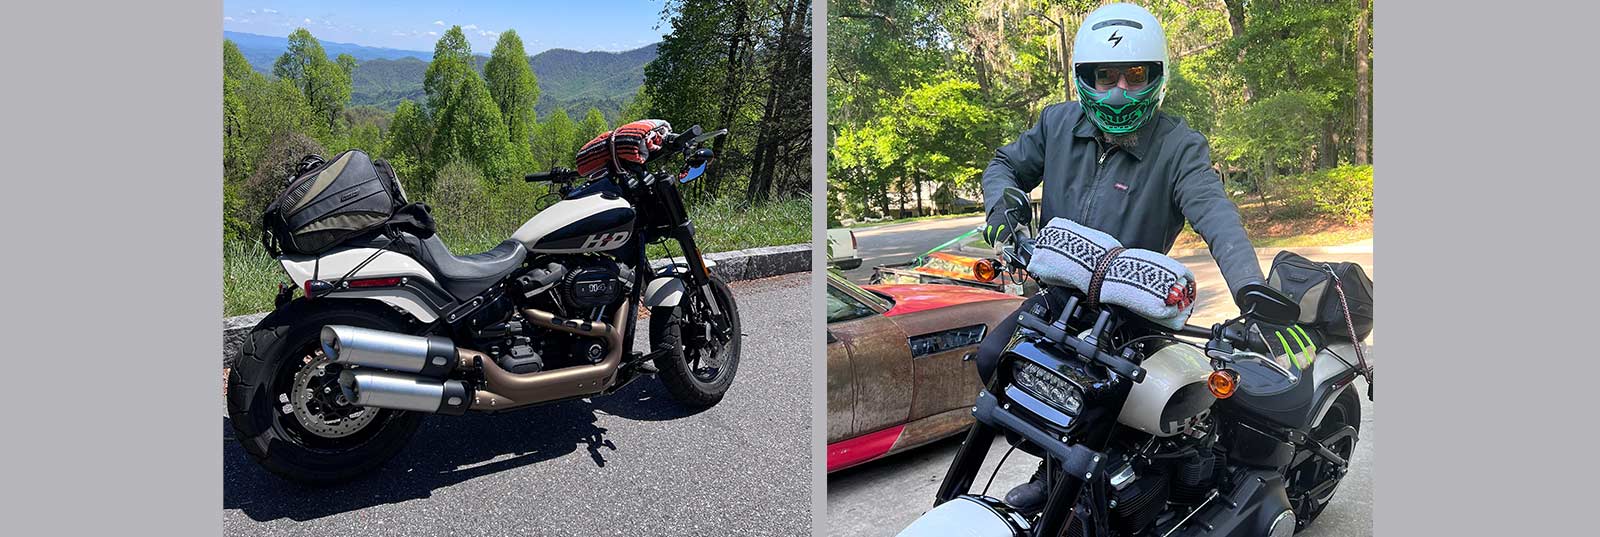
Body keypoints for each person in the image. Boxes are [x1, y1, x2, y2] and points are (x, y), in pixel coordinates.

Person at [976, 2, 1265, 512]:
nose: (1118, 90)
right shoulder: (1057, 123)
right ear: (1083, 77)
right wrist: (1006, 203)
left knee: (1107, 407)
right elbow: (1004, 164)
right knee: (995, 362)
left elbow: (1217, 216)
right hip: (1058, 294)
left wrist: (1251, 291)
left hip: (1130, 310)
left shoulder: (1179, 146)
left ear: (1156, 75)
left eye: (1134, 75)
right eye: (1104, 76)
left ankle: (1124, 483)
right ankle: (1054, 469)